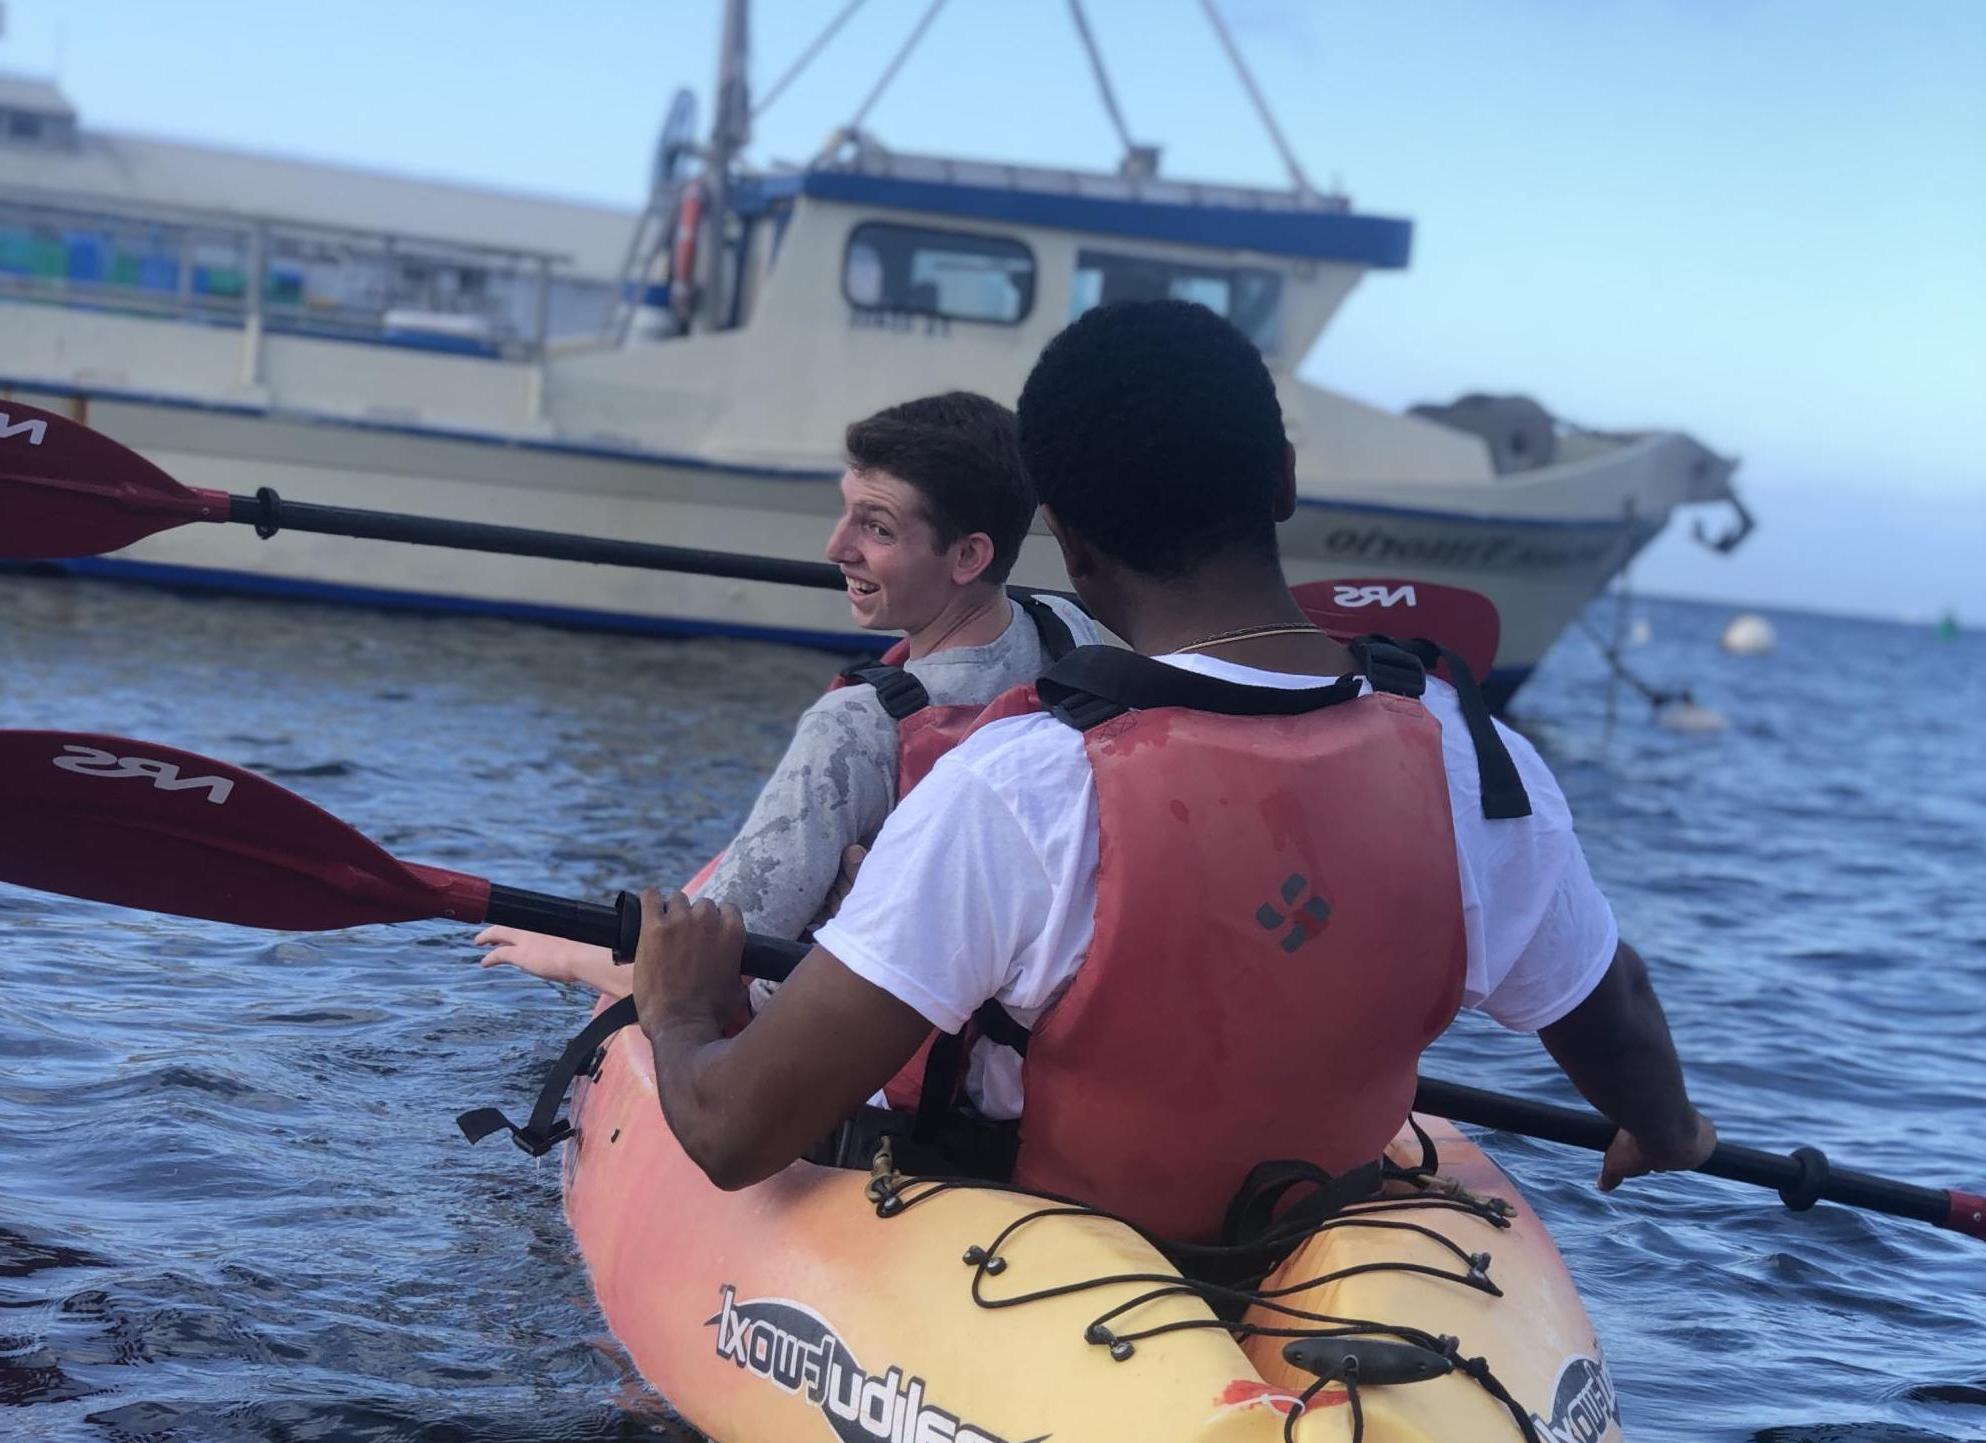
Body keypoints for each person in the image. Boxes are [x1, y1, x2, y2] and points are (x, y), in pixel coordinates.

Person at [628, 300, 1717, 1239]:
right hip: (1315, 1224)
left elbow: (734, 1134)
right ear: (1284, 479)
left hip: (1040, 1256)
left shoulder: (1017, 787)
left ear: (1068, 541)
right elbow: (1610, 1007)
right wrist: (1667, 1128)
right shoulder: (1478, 761)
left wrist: (676, 1010)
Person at [475, 391, 1099, 993]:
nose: (835, 548)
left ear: (968, 556)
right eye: (846, 511)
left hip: (851, 1043)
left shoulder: (853, 726)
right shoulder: (1068, 631)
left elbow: (709, 965)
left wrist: (566, 956)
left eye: (876, 529)